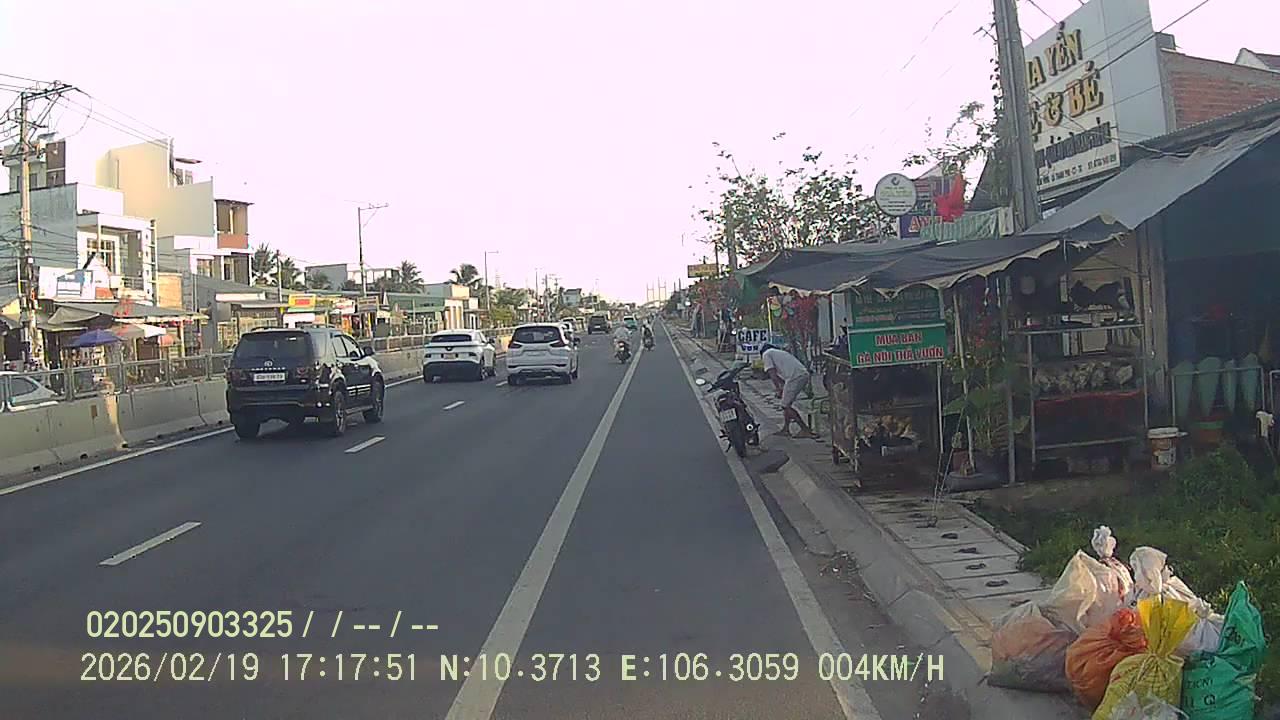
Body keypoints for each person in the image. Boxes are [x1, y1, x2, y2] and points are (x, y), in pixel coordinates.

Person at [760, 343, 818, 439]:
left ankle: (805, 429)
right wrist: (782, 387)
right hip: (800, 374)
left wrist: (778, 389)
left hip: (794, 377)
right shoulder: (778, 353)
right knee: (786, 403)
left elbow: (772, 374)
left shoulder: (766, 354)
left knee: (785, 406)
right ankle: (786, 429)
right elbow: (780, 376)